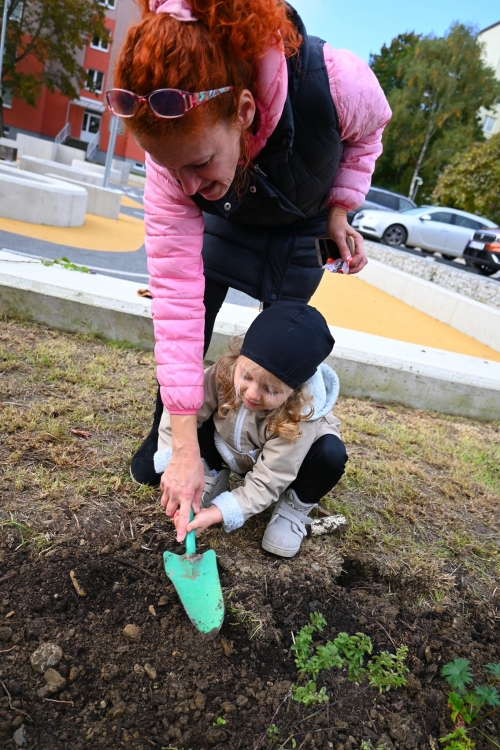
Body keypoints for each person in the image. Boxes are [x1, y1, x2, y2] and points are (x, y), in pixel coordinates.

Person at [108, 0, 391, 542]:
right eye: (170, 169)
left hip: (299, 212)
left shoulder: (337, 82)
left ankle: (272, 463)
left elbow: (369, 135)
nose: (183, 185)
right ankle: (175, 442)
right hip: (231, 209)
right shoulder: (175, 149)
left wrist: (339, 207)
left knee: (278, 344)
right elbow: (176, 310)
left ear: (241, 110)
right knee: (197, 313)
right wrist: (184, 453)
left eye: (194, 163)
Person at [154, 303, 347, 557]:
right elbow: (180, 415)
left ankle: (293, 508)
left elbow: (270, 478)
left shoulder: (299, 416)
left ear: (295, 390)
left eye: (272, 390)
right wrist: (176, 462)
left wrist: (218, 513)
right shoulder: (222, 374)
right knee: (192, 413)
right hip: (229, 447)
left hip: (293, 465)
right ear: (239, 358)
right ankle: (210, 472)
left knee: (330, 454)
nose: (252, 394)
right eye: (246, 376)